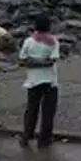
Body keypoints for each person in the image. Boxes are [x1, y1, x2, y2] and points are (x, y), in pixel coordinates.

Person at [18, 14, 60, 148]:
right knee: (48, 112)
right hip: (50, 81)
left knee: (31, 110)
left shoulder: (28, 41)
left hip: (32, 81)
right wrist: (43, 61)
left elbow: (23, 60)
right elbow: (52, 60)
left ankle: (26, 135)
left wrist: (33, 62)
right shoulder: (53, 41)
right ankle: (44, 139)